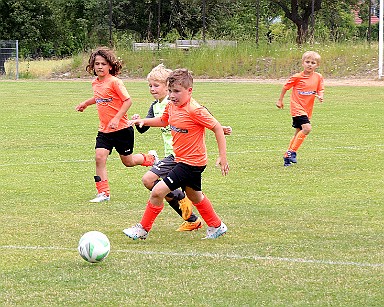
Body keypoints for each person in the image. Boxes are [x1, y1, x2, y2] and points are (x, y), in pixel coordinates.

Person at [123, 68, 229, 240]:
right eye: (171, 91)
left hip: (191, 163)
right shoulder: (172, 106)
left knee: (157, 191)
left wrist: (222, 156)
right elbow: (163, 120)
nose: (172, 95)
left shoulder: (195, 110)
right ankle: (216, 225)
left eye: (177, 91)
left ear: (189, 90)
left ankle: (143, 229)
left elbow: (216, 127)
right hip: (182, 159)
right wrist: (143, 120)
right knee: (195, 196)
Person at [75, 47, 158, 202]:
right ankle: (103, 193)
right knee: (99, 157)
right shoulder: (95, 83)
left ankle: (151, 158)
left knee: (128, 161)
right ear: (92, 66)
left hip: (122, 130)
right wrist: (85, 103)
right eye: (97, 64)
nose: (100, 67)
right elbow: (99, 97)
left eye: (103, 64)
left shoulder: (115, 82)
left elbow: (128, 101)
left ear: (110, 66)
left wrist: (116, 118)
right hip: (104, 130)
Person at [276, 51, 324, 167]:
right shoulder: (297, 77)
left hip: (307, 109)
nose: (310, 65)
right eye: (307, 62)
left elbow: (320, 89)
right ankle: (292, 152)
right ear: (303, 63)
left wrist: (321, 95)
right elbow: (285, 87)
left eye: (313, 63)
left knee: (298, 132)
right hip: (297, 108)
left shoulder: (318, 77)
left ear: (317, 65)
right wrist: (280, 100)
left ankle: (287, 155)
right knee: (307, 128)